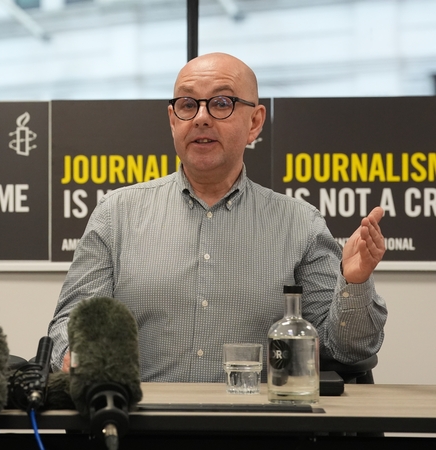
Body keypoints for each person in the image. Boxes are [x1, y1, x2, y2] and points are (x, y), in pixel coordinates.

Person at [47, 52, 388, 382]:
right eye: (187, 104)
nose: (201, 118)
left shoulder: (300, 224)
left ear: (255, 122)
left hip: (255, 417)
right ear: (173, 120)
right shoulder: (116, 214)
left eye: (221, 103)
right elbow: (68, 323)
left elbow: (344, 350)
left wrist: (355, 283)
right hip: (141, 415)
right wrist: (74, 353)